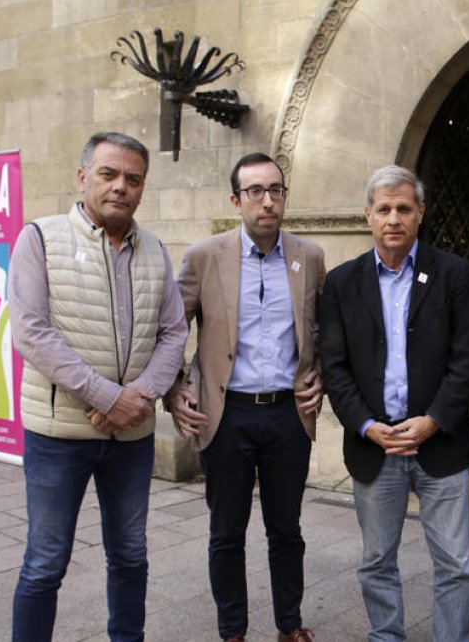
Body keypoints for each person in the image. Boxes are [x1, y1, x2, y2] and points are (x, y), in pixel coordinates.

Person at [8, 132, 187, 642]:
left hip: (131, 439)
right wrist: (109, 396)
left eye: (133, 179)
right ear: (83, 176)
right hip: (59, 436)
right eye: (109, 174)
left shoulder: (153, 248)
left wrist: (142, 395)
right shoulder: (39, 238)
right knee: (45, 562)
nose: (120, 187)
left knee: (130, 555)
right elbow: (31, 332)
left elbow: (173, 330)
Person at [319, 165, 469, 642]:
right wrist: (366, 425)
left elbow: (467, 360)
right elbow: (336, 368)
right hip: (376, 445)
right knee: (376, 560)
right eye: (384, 209)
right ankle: (386, 636)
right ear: (368, 215)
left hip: (440, 442)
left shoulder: (452, 273)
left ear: (421, 214)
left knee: (456, 563)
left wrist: (433, 421)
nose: (394, 218)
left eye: (404, 208)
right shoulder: (342, 283)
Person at [167, 153, 324, 642]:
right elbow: (171, 329)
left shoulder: (310, 257)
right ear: (236, 201)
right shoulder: (204, 256)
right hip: (225, 414)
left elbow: (325, 328)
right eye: (255, 191)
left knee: (287, 531)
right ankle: (232, 630)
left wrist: (318, 372)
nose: (267, 201)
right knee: (226, 533)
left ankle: (289, 624)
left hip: (286, 416)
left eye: (275, 190)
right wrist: (174, 390)